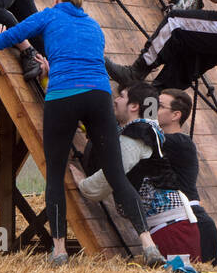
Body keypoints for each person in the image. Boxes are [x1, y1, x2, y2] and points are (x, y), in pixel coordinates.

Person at [0, 0, 161, 266]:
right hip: (98, 96)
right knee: (117, 175)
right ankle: (148, 242)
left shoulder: (49, 15)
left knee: (55, 175)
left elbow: (13, 35)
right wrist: (53, 65)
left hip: (64, 96)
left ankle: (59, 250)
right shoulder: (94, 26)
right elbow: (80, 58)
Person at [77, 82, 199, 261]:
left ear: (134, 106)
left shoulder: (138, 134)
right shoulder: (143, 129)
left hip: (171, 230)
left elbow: (112, 175)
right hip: (169, 226)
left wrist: (83, 184)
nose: (116, 100)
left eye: (121, 96)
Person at [156, 87, 217, 265]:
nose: (152, 111)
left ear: (176, 115)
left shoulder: (179, 142)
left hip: (193, 222)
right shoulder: (161, 140)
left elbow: (143, 135)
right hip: (180, 222)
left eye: (158, 106)